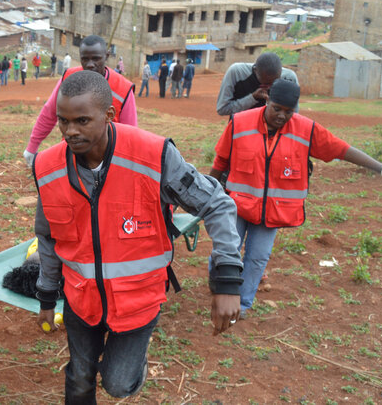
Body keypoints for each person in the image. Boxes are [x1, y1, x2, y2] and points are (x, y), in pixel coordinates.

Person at [32, 70, 243, 403]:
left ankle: (132, 367)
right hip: (80, 299)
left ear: (110, 115)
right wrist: (47, 297)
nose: (70, 131)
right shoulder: (48, 167)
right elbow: (47, 237)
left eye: (82, 121)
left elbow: (216, 205)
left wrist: (227, 280)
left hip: (138, 302)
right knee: (80, 376)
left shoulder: (154, 156)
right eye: (63, 121)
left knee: (117, 383)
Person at [209, 79, 382, 318]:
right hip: (237, 206)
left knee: (258, 258)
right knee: (226, 251)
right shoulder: (240, 122)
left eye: (288, 112)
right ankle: (219, 290)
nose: (281, 116)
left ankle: (242, 305)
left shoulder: (306, 130)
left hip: (272, 213)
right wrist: (209, 194)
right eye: (277, 108)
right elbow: (220, 161)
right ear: (267, 100)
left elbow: (341, 149)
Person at [23, 35, 137, 167]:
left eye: (96, 59)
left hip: (106, 161)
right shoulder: (69, 77)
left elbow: (130, 133)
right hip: (71, 156)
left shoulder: (123, 88)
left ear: (106, 55)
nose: (90, 64)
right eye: (85, 59)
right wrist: (32, 147)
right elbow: (49, 112)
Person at [216, 52, 298, 116]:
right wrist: (252, 98)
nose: (269, 87)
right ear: (255, 71)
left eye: (275, 82)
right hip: (242, 129)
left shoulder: (289, 78)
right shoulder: (237, 72)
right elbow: (222, 109)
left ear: (280, 72)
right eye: (266, 82)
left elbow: (293, 114)